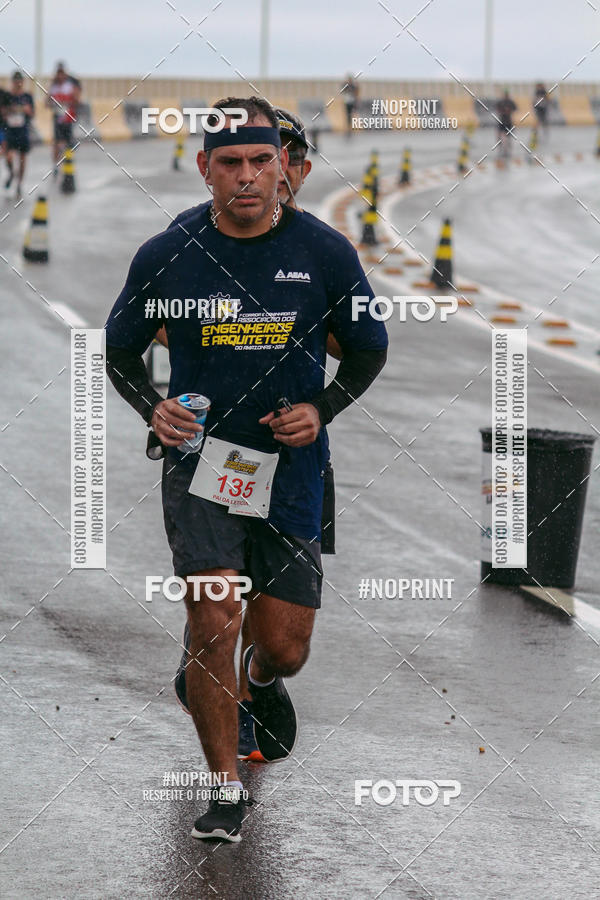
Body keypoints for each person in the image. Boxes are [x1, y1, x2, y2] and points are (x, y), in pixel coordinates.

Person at [105, 95, 388, 842]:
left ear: (283, 169)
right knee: (213, 616)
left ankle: (256, 681)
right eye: (229, 162)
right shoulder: (167, 253)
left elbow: (368, 350)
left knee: (285, 645)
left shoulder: (325, 253)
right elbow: (119, 349)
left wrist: (323, 409)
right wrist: (152, 408)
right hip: (200, 468)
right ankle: (224, 785)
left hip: (291, 470)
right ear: (204, 168)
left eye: (262, 160)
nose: (247, 176)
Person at [3, 72, 34, 198]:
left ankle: (19, 185)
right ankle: (11, 173)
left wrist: (26, 110)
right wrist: (13, 109)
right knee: (9, 157)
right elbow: (3, 111)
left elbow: (32, 114)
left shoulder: (27, 96)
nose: (17, 84)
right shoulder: (7, 96)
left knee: (22, 159)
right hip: (10, 130)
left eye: (19, 81)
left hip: (22, 131)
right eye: (15, 81)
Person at [47, 62, 81, 171]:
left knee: (68, 142)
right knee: (56, 142)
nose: (60, 76)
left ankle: (67, 163)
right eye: (58, 73)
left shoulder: (70, 85)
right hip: (57, 118)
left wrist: (67, 101)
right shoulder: (53, 86)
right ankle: (55, 165)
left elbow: (77, 101)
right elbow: (46, 103)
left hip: (68, 118)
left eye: (62, 73)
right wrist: (54, 103)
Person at [496, 89, 517, 158]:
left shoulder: (510, 102)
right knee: (501, 136)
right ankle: (503, 149)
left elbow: (515, 109)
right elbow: (497, 109)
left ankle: (506, 150)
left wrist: (508, 111)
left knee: (507, 137)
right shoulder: (501, 102)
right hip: (503, 121)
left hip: (508, 121)